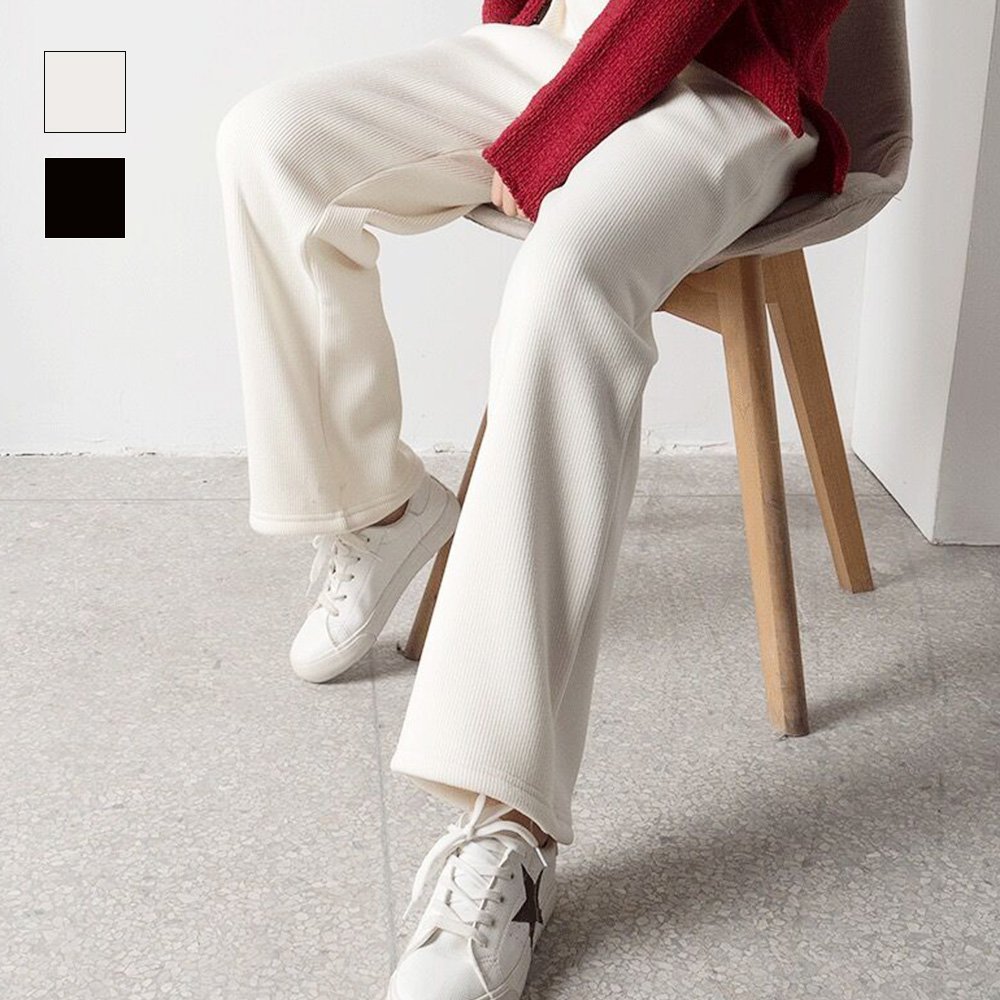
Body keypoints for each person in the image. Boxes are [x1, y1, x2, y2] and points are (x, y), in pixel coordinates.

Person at [214, 0, 850, 995]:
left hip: (727, 76)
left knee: (567, 279)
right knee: (271, 140)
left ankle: (506, 827)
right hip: (564, 44)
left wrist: (552, 139)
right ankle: (379, 510)